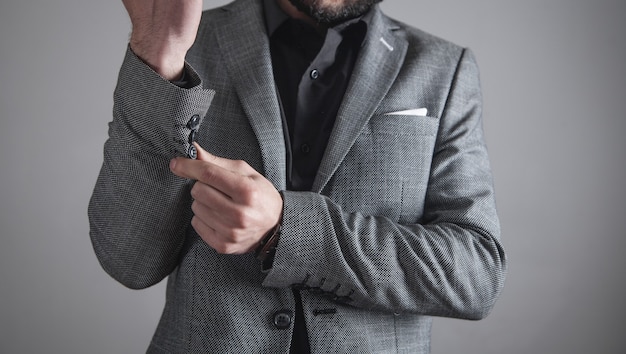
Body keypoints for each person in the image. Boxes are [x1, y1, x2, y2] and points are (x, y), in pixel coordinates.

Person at [88, 0, 507, 352]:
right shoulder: (186, 40)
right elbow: (127, 260)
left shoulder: (444, 68)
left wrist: (289, 229)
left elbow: (475, 274)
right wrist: (158, 51)